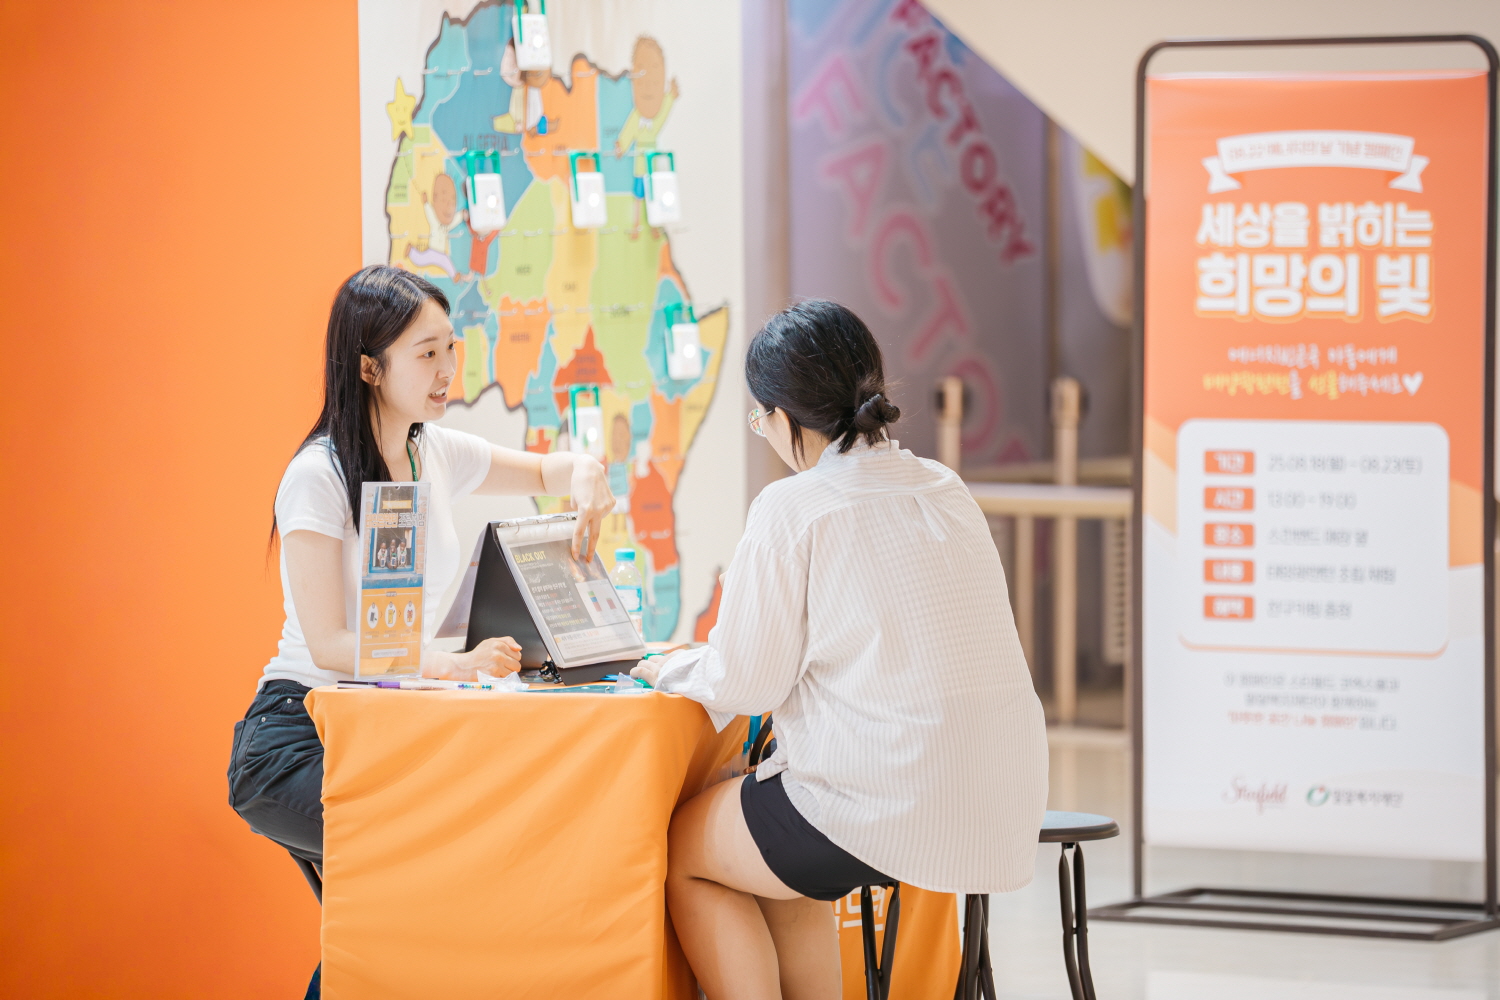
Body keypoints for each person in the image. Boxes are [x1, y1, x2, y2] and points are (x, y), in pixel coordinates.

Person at [632, 300, 1047, 1000]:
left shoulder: (793, 507)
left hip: (889, 800)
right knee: (775, 859)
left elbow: (746, 683)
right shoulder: (943, 487)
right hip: (1001, 792)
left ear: (785, 417)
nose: (764, 434)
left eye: (761, 418)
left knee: (688, 855)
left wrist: (661, 665)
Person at [227, 264, 613, 995]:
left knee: (393, 932)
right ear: (370, 367)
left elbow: (547, 473)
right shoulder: (317, 476)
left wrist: (587, 472)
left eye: (450, 348)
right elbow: (331, 644)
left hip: (382, 734)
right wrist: (450, 664)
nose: (446, 370)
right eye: (426, 353)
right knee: (416, 897)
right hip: (298, 738)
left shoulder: (433, 451)